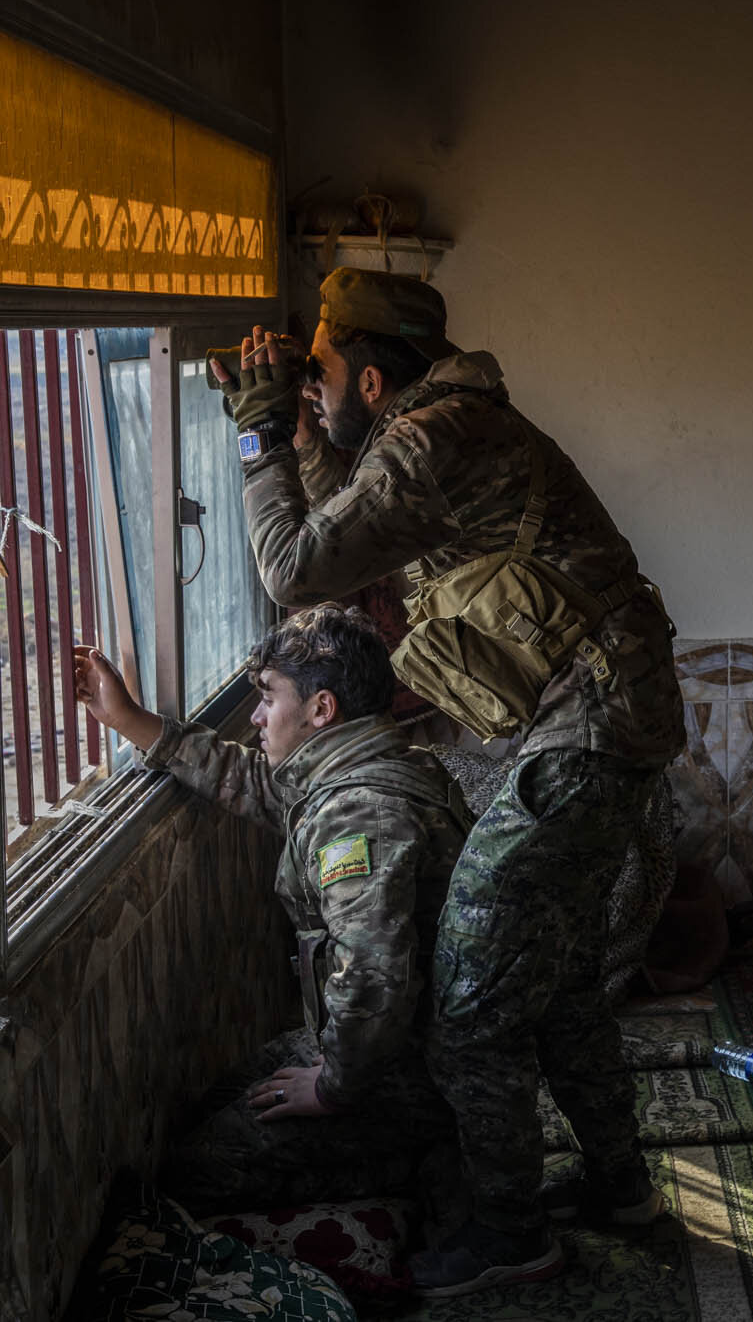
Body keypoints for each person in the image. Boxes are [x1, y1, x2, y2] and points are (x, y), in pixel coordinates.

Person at [211, 268, 686, 1297]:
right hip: (599, 721)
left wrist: (258, 436)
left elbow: (299, 568)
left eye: (325, 371)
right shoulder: (437, 433)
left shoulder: (437, 437)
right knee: (554, 976)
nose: (314, 388)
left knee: (469, 994)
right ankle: (620, 1188)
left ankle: (511, 1230)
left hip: (586, 729)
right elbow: (349, 516)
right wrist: (299, 427)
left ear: (375, 381)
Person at [71, 606, 466, 1212]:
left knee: (198, 1169)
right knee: (216, 1099)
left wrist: (334, 1091)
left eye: (267, 698)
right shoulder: (365, 765)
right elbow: (251, 781)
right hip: (390, 1049)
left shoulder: (359, 814)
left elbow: (372, 980)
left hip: (405, 1074)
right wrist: (130, 721)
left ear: (321, 710)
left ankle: (423, 1166)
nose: (255, 716)